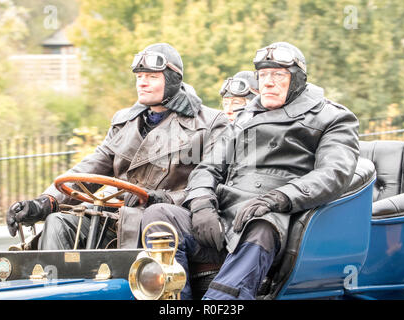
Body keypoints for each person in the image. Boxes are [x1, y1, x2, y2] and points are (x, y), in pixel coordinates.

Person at [140, 41, 360, 300]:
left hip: (276, 222)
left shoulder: (331, 117)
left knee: (262, 224)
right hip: (224, 219)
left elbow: (335, 173)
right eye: (264, 75)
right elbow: (208, 167)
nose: (268, 82)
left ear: (298, 79)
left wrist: (277, 198)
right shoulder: (246, 116)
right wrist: (201, 205)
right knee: (159, 214)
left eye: (278, 75)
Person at [5, 43, 231, 260]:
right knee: (58, 222)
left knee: (145, 225)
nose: (142, 83)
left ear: (172, 81)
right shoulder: (124, 122)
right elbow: (91, 167)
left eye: (152, 77)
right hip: (118, 217)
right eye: (139, 77)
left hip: (164, 222)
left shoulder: (209, 123)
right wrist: (44, 202)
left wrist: (164, 198)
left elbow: (214, 183)